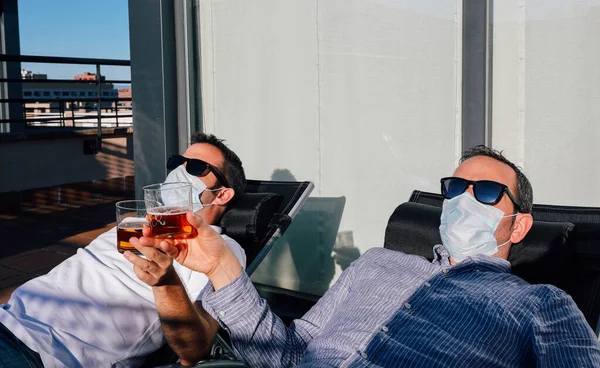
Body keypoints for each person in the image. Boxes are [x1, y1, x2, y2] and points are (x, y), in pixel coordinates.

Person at [137, 145, 600, 367]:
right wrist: (222, 267)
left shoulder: (541, 305)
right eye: (455, 188)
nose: (464, 199)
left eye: (487, 192)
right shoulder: (378, 264)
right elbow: (285, 354)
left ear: (519, 225)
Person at [0, 132, 247, 367]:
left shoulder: (221, 250)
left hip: (44, 353)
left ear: (222, 194)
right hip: (8, 319)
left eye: (195, 167)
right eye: (177, 162)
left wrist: (165, 282)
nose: (180, 171)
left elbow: (195, 349)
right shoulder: (134, 223)